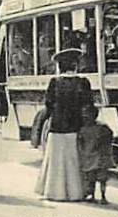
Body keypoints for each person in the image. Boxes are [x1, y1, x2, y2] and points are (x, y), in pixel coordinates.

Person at [35, 48, 89, 201]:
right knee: (74, 160)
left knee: (55, 160)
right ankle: (76, 193)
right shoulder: (83, 82)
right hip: (75, 127)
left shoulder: (55, 82)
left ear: (60, 66)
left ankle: (54, 192)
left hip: (57, 126)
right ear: (75, 66)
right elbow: (88, 104)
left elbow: (49, 104)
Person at [77, 105, 115, 204]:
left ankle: (101, 196)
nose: (85, 118)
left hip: (97, 157)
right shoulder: (100, 128)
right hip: (93, 157)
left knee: (98, 179)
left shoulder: (87, 129)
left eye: (86, 116)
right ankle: (95, 196)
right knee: (94, 179)